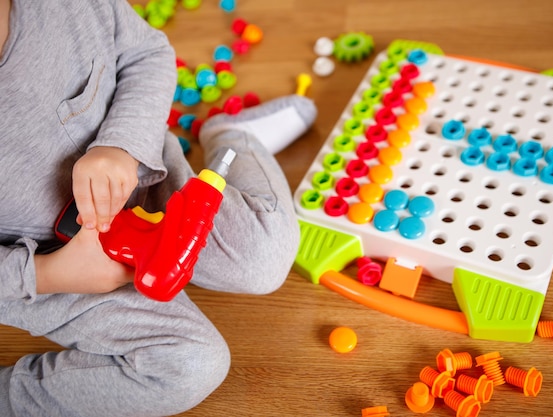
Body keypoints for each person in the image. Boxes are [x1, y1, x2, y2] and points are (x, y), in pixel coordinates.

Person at [0, 1, 317, 416]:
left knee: (266, 257)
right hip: (44, 262)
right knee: (188, 367)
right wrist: (45, 274)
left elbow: (147, 53)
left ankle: (231, 136)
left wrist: (122, 147)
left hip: (148, 178)